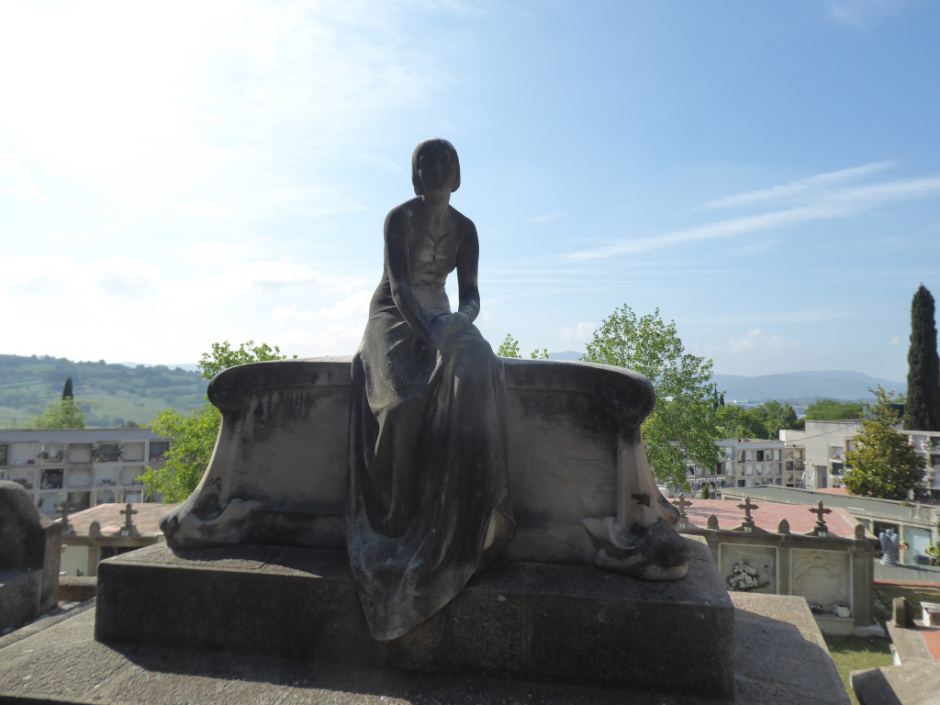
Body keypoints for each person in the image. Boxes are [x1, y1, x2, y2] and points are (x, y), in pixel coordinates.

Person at [347, 138, 514, 641]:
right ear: (415, 175)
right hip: (395, 316)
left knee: (480, 361)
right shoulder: (399, 218)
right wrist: (432, 336)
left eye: (445, 162)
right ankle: (396, 523)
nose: (437, 169)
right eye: (427, 162)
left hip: (441, 311)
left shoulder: (467, 229)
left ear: (457, 173)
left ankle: (474, 516)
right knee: (398, 405)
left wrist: (459, 323)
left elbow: (473, 296)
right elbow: (398, 289)